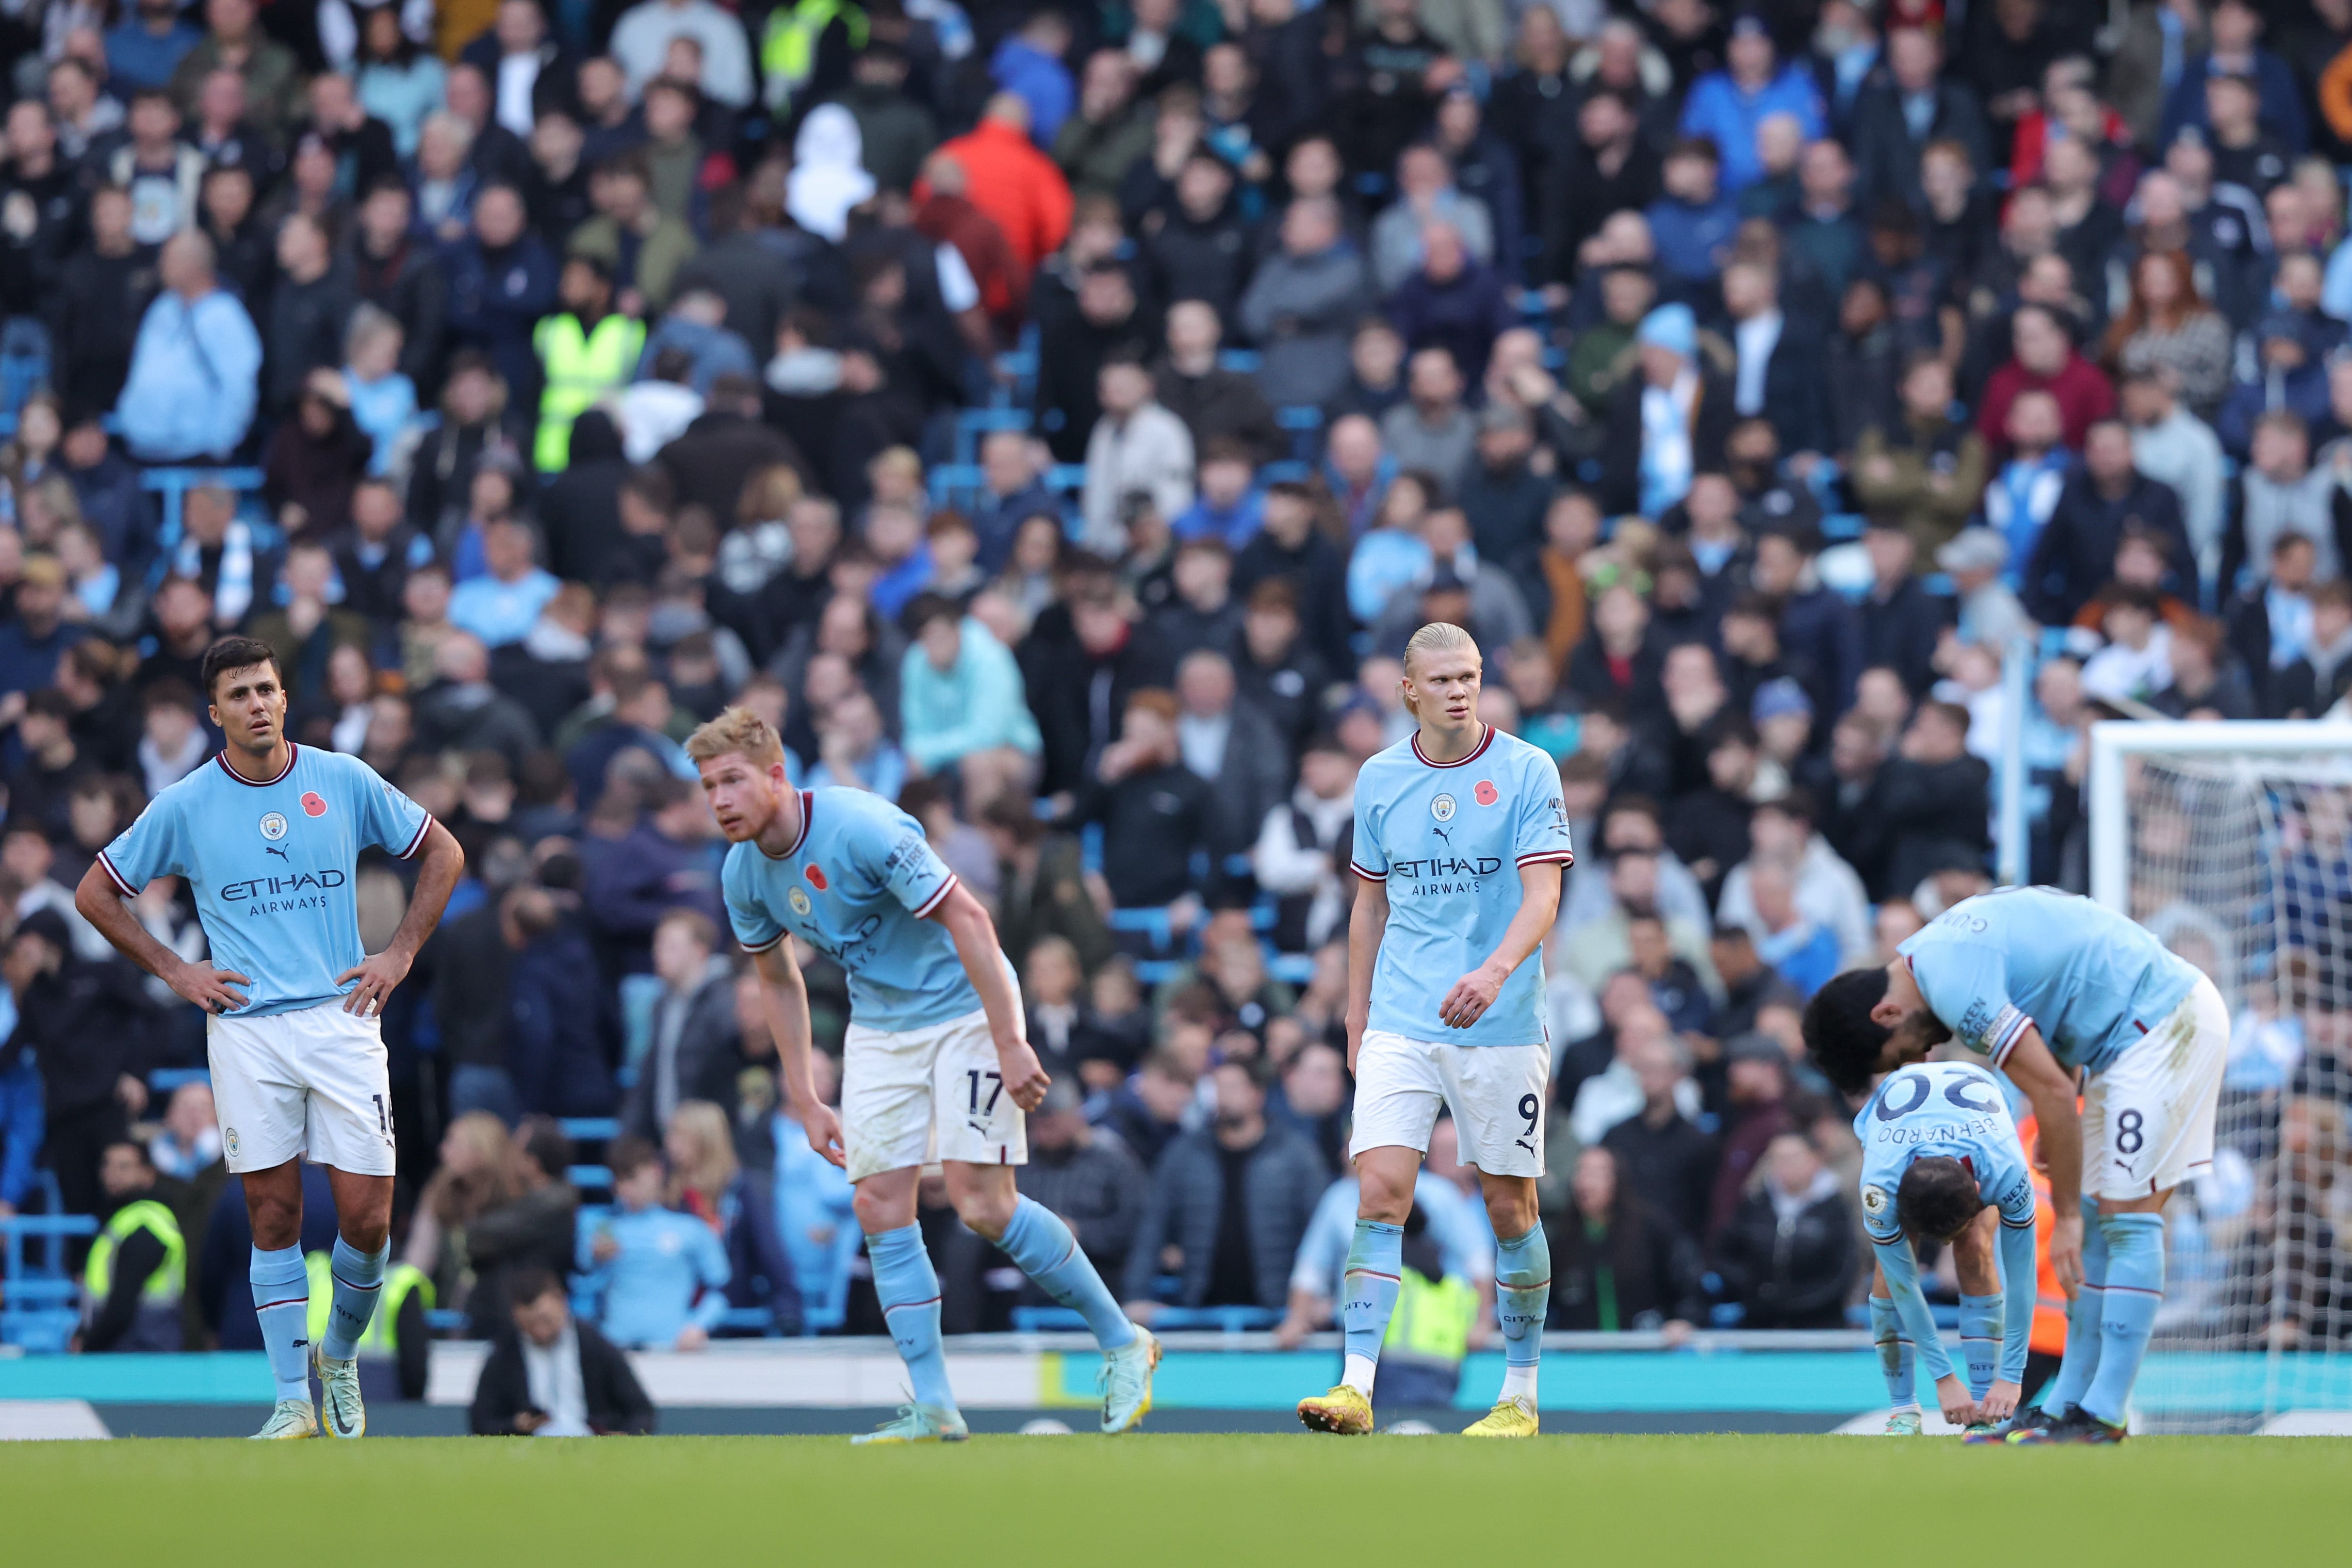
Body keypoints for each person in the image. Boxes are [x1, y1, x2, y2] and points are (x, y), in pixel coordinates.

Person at [689, 707, 1158, 1442]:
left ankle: (1123, 1339)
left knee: (981, 1203)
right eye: (708, 785)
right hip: (881, 1025)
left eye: (732, 781)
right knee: (879, 1205)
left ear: (776, 776)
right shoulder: (743, 874)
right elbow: (780, 982)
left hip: (968, 1006)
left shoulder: (863, 826)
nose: (718, 800)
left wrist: (1009, 1041)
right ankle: (935, 1405)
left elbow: (971, 919)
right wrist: (804, 1096)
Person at [72, 636, 465, 1439]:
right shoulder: (185, 803)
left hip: (341, 1016)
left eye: (267, 689)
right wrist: (179, 972)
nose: (257, 703)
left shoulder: (342, 779)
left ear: (285, 699)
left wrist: (398, 953)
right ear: (214, 714)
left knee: (367, 1221)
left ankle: (341, 1356)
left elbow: (445, 853)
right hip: (247, 1028)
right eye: (240, 693)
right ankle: (292, 1400)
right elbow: (96, 894)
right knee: (272, 1213)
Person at [1802, 887, 2232, 1444]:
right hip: (2121, 1042)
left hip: (2163, 1026)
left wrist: (2068, 1212)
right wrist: (2066, 1109)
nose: (1921, 1058)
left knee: (2120, 1221)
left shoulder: (1952, 984)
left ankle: (2103, 1412)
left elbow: (2050, 1089)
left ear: (1887, 1013)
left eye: (1902, 1052)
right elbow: (2066, 987)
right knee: (2108, 1227)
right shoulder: (1937, 952)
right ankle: (2069, 1404)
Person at [1294, 622, 1573, 1440]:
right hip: (1404, 1017)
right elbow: (1369, 903)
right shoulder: (1380, 779)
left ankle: (1520, 1397)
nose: (1460, 690)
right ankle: (1354, 1386)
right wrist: (1356, 1015)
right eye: (1443, 679)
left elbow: (1544, 896)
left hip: (1503, 1020)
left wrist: (1493, 974)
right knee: (1379, 1191)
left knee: (1510, 1208)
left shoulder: (1527, 770)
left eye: (1472, 676)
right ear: (1408, 690)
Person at [1851, 1059, 2040, 1439]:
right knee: (1890, 1271)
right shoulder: (1879, 1185)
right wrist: (1944, 1378)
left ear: (1979, 1194)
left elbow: (2022, 1280)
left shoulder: (2006, 1170)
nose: (1946, 1243)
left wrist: (2012, 1378)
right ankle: (1904, 1409)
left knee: (1974, 1247)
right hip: (1896, 1117)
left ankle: (1984, 1403)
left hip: (1983, 1111)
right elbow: (1905, 1285)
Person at [573, 1134, 730, 1349]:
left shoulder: (690, 1229)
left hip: (672, 1350)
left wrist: (698, 1326)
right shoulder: (602, 1230)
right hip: (617, 1350)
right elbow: (579, 1290)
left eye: (632, 1178)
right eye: (618, 1182)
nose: (624, 1190)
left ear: (655, 1171)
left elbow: (722, 1290)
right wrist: (597, 1262)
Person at [468, 1264, 656, 1435]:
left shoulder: (595, 1346)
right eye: (529, 1326)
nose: (540, 1332)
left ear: (561, 1301)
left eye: (545, 1320)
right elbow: (482, 1421)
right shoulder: (504, 1355)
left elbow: (641, 1411)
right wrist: (516, 1426)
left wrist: (620, 1436)